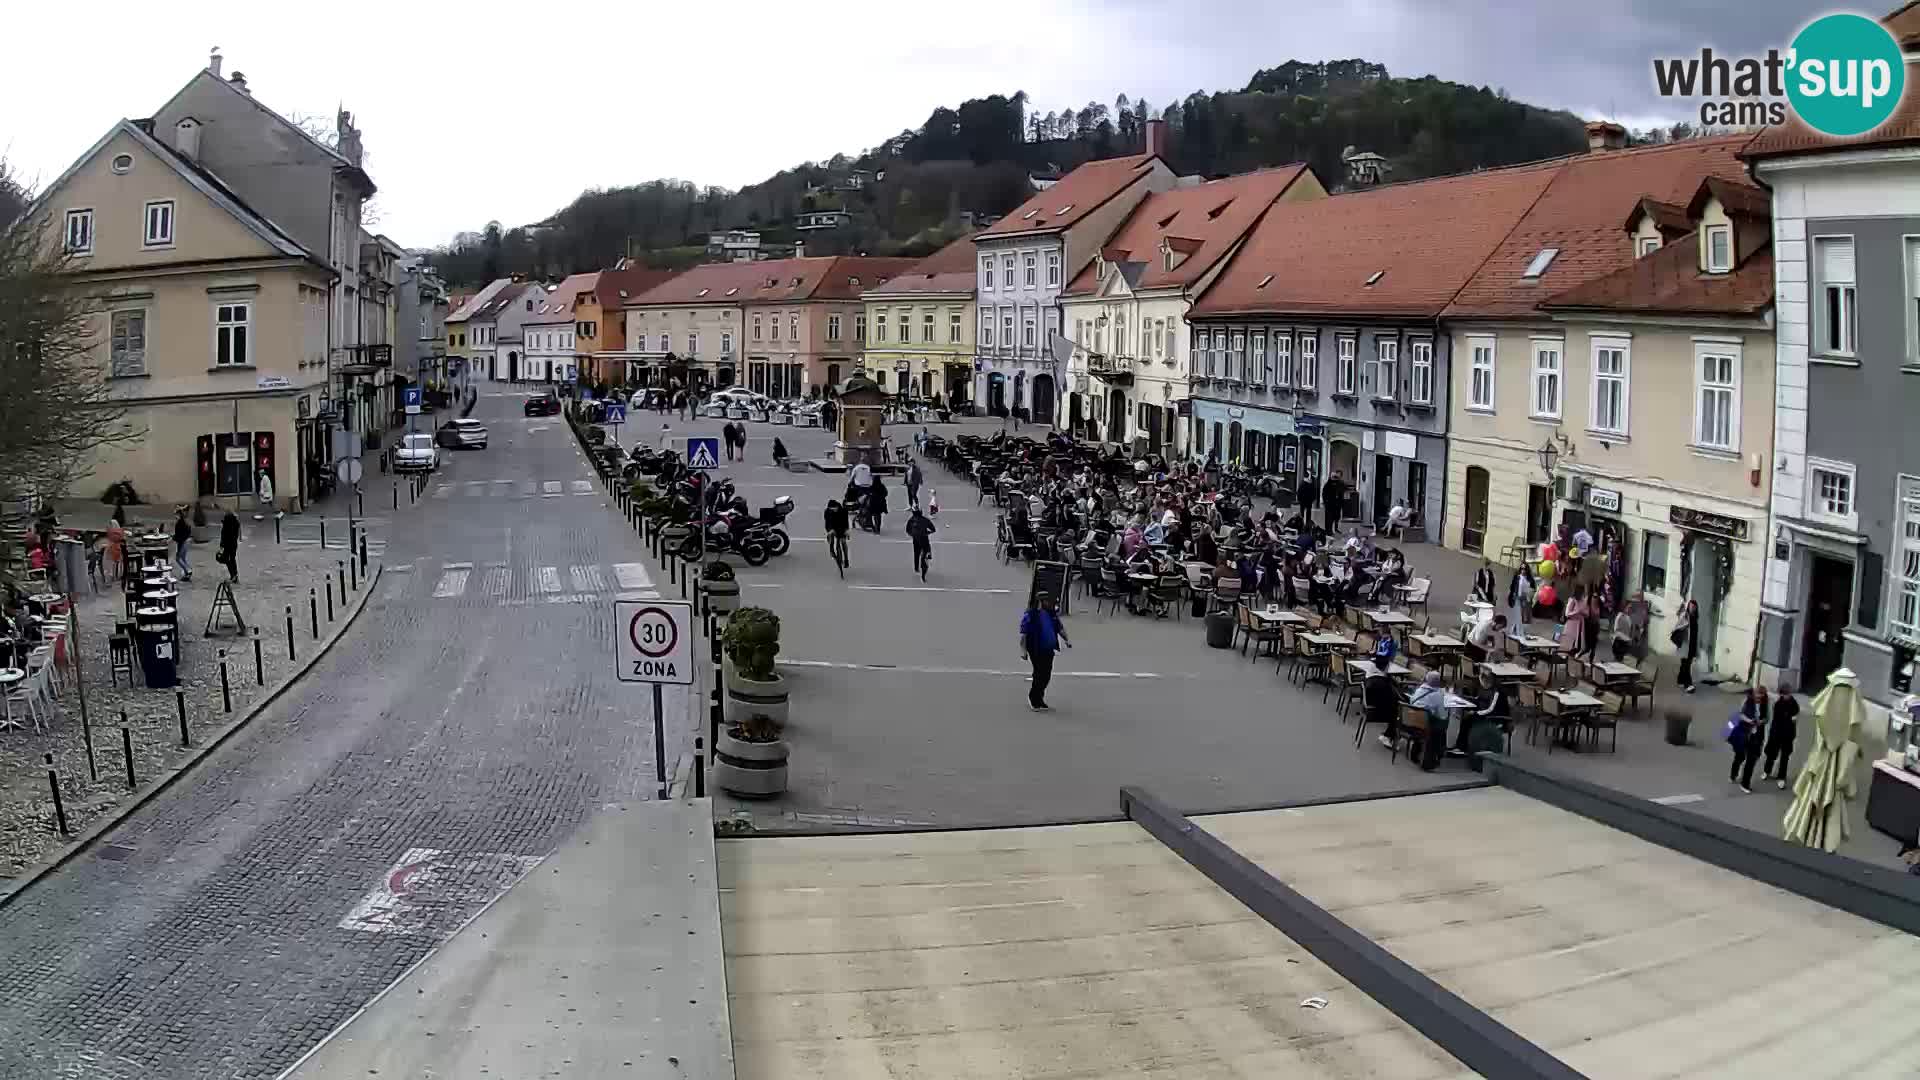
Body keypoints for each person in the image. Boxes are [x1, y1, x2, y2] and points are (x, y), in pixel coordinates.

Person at [1018, 592, 1070, 711]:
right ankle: (1034, 699)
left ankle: (1040, 699)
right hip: (1036, 649)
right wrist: (1023, 651)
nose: (1051, 604)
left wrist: (1066, 639)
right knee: (1039, 674)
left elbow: (1059, 628)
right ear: (1041, 602)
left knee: (1046, 675)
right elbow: (1024, 635)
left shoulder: (1052, 614)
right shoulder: (1031, 615)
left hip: (1048, 649)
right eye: (1048, 601)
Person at [1730, 685, 1768, 793]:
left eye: (1762, 696)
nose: (1759, 698)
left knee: (1752, 759)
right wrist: (1749, 720)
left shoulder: (1765, 704)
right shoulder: (1747, 701)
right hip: (1744, 733)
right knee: (1740, 756)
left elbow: (1767, 718)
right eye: (1757, 696)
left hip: (1756, 735)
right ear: (1753, 694)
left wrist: (1761, 722)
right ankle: (1734, 773)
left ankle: (1745, 783)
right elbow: (1739, 715)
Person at [1763, 677, 1800, 788]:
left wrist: (1793, 719)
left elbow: (1795, 716)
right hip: (1776, 734)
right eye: (1783, 694)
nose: (1785, 696)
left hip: (1788, 736)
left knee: (1784, 758)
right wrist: (1772, 734)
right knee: (1771, 754)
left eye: (1786, 694)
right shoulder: (1778, 704)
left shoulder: (1794, 704)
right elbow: (1776, 721)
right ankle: (1767, 771)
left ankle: (1781, 778)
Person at [1675, 598, 1701, 693]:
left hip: (1692, 646)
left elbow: (1695, 634)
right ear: (1688, 606)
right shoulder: (1685, 616)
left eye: (1694, 607)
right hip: (1685, 645)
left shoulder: (1695, 618)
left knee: (1685, 664)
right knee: (1686, 665)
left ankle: (1680, 680)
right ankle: (1688, 684)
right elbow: (1678, 626)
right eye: (1691, 606)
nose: (1692, 608)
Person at [905, 506, 935, 580]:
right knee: (927, 550)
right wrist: (928, 532)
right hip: (924, 538)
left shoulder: (911, 520)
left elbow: (908, 530)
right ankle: (928, 556)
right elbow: (933, 529)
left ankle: (916, 568)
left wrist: (913, 534)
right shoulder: (925, 520)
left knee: (916, 553)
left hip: (915, 539)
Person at [823, 498, 850, 567]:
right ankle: (831, 549)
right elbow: (827, 523)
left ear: (837, 506)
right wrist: (829, 531)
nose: (833, 510)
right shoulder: (827, 511)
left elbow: (846, 522)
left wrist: (847, 531)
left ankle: (846, 559)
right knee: (831, 537)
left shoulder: (843, 511)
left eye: (834, 508)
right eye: (831, 509)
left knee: (843, 542)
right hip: (832, 527)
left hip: (841, 527)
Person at [1508, 564, 1536, 631]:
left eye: (1524, 569)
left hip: (1525, 599)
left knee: (1524, 616)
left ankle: (1520, 630)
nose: (1523, 570)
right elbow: (1512, 587)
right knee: (1517, 615)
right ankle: (1515, 629)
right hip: (1517, 598)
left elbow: (1533, 589)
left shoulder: (1530, 579)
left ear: (1527, 570)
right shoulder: (1517, 577)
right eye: (1521, 568)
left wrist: (1529, 595)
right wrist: (1512, 596)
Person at [217, 509, 240, 583]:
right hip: (233, 544)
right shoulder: (236, 523)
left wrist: (222, 545)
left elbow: (224, 536)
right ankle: (235, 575)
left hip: (227, 545)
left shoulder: (227, 525)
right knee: (232, 559)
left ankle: (233, 575)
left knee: (227, 560)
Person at [171, 505, 194, 581]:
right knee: (183, 558)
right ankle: (186, 572)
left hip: (183, 542)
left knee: (178, 558)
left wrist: (173, 538)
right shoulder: (183, 521)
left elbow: (179, 536)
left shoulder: (179, 523)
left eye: (175, 515)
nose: (174, 516)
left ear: (178, 515)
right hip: (187, 541)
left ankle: (188, 570)